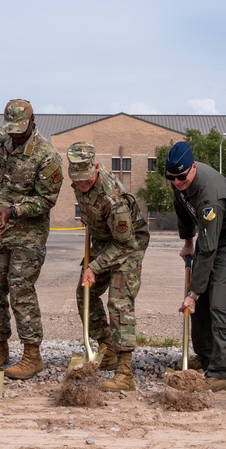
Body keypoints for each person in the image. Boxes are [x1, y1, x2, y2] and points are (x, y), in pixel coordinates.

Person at [0, 99, 63, 379]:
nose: (15, 135)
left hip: (27, 236)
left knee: (20, 290)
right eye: (12, 130)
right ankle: (0, 348)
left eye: (20, 130)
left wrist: (14, 210)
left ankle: (32, 355)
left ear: (33, 123)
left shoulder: (46, 155)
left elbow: (46, 200)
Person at [167, 141, 226, 392]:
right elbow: (183, 212)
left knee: (219, 297)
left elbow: (208, 249)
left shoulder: (210, 196)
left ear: (193, 167)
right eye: (171, 177)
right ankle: (206, 357)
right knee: (201, 295)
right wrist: (187, 243)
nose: (176, 182)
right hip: (211, 236)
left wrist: (192, 294)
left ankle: (222, 371)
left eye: (181, 177)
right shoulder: (179, 179)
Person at [67, 142, 150, 391]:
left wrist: (95, 265)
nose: (81, 184)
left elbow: (124, 243)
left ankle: (125, 373)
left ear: (96, 168)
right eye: (77, 179)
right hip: (105, 241)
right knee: (85, 292)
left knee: (119, 303)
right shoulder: (80, 181)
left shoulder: (113, 198)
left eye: (85, 179)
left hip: (129, 245)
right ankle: (108, 349)